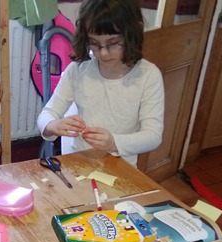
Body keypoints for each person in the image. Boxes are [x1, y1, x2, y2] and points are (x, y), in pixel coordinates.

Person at [37, 0, 164, 167]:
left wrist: (113, 142)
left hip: (122, 167)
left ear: (132, 33)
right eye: (95, 43)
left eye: (113, 43)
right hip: (80, 163)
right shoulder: (77, 71)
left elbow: (153, 136)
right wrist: (53, 125)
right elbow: (46, 114)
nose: (103, 52)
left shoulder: (148, 75)